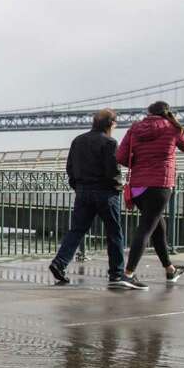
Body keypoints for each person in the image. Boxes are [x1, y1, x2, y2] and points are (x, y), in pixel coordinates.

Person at [115, 101, 184, 289]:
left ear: (148, 113)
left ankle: (170, 270)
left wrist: (139, 163)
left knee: (158, 225)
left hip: (138, 187)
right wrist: (178, 127)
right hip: (160, 185)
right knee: (146, 228)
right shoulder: (173, 128)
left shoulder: (135, 128)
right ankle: (128, 275)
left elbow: (120, 156)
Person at [48, 109, 127, 287]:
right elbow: (112, 171)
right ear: (111, 124)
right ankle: (116, 273)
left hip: (83, 191)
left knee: (76, 230)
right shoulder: (110, 143)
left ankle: (59, 263)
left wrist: (78, 186)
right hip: (105, 193)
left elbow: (70, 167)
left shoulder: (78, 140)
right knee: (114, 233)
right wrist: (117, 188)